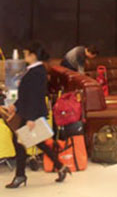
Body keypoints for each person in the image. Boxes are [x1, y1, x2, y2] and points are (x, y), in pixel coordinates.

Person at [4, 42, 71, 189]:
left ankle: (20, 175)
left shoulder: (37, 72)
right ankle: (60, 166)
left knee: (20, 141)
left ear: (33, 55)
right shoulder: (33, 70)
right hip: (27, 111)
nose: (24, 56)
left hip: (31, 113)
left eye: (26, 53)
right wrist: (15, 105)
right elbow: (26, 94)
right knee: (36, 141)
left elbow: (35, 96)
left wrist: (31, 118)